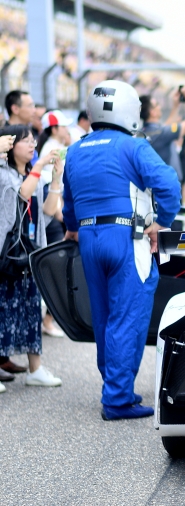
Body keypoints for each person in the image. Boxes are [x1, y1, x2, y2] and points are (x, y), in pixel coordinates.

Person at [61, 80, 181, 420]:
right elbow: (169, 184)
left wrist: (73, 227)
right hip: (127, 237)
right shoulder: (134, 146)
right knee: (127, 317)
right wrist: (163, 221)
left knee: (103, 318)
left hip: (88, 238)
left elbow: (69, 204)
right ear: (129, 110)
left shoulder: (75, 150)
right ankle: (116, 399)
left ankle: (115, 387)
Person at [0, 125, 65, 388]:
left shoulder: (32, 174)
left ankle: (35, 369)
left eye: (33, 141)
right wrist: (39, 167)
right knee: (2, 310)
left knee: (30, 309)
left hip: (28, 252)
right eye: (25, 141)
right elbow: (21, 195)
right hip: (5, 252)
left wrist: (56, 179)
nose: (32, 145)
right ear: (10, 145)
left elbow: (47, 212)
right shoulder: (3, 174)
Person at [37, 109, 74, 338]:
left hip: (55, 214)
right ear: (54, 128)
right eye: (64, 125)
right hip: (53, 216)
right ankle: (47, 320)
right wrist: (63, 216)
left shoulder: (54, 146)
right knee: (57, 268)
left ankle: (47, 319)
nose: (67, 129)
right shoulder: (53, 149)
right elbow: (53, 185)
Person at [139, 87, 185, 183]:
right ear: (152, 112)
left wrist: (176, 106)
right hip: (168, 185)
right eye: (157, 104)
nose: (160, 106)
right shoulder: (160, 133)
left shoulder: (144, 132)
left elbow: (166, 127)